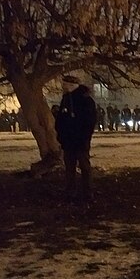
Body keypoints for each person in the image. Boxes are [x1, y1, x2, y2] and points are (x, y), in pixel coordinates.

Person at [55, 75, 97, 203]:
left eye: (64, 84)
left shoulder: (85, 100)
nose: (62, 87)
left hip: (79, 140)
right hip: (68, 140)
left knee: (83, 166)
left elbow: (89, 121)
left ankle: (87, 192)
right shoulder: (66, 99)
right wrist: (61, 135)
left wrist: (84, 137)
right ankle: (71, 191)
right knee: (70, 167)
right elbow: (61, 120)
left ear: (70, 85)